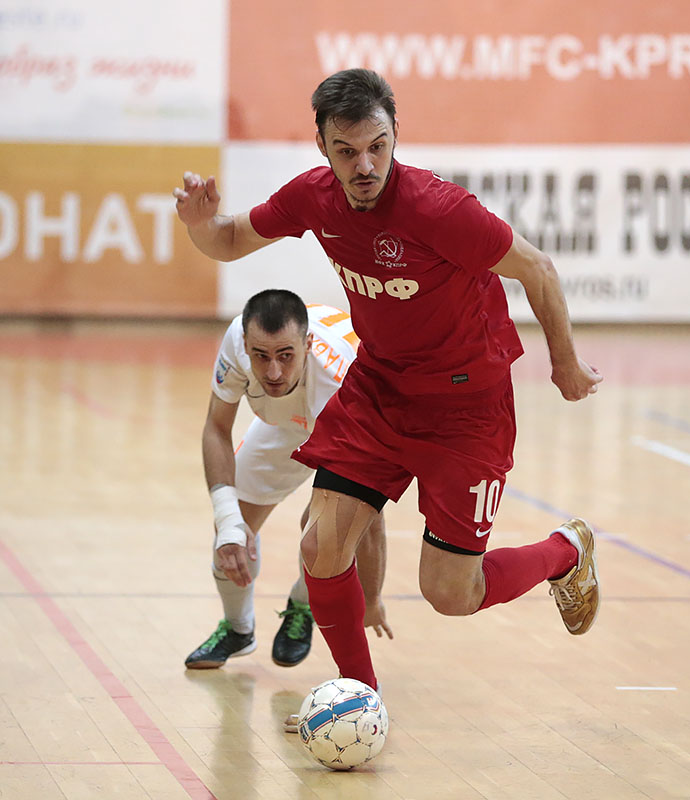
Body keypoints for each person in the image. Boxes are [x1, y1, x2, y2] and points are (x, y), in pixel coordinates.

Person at [174, 68, 602, 693]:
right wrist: (199, 225)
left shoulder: (439, 208)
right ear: (323, 147)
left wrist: (565, 364)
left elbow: (537, 268)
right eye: (346, 151)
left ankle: (566, 550)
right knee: (320, 547)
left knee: (451, 593)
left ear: (396, 133)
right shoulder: (315, 196)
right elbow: (231, 237)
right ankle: (359, 697)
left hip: (466, 407)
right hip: (380, 389)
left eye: (377, 146)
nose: (365, 165)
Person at [185, 288, 392, 670]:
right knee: (232, 528)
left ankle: (302, 604)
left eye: (285, 356)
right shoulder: (237, 340)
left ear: (307, 345)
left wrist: (372, 598)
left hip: (344, 421)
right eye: (261, 357)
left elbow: (371, 520)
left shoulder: (346, 385)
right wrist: (228, 520)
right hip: (285, 423)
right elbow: (216, 427)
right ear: (245, 343)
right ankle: (238, 629)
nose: (273, 373)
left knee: (326, 532)